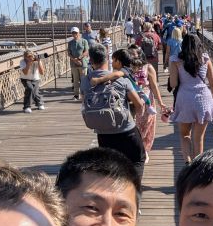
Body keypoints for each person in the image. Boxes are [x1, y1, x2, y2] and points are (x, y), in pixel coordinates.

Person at [81, 44, 146, 181]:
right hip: (126, 131)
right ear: (108, 59)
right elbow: (139, 105)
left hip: (103, 134)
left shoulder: (85, 82)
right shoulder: (121, 79)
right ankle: (133, 189)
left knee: (111, 168)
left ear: (91, 61)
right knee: (138, 160)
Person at [169, 33, 213, 164]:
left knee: (184, 134)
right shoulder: (205, 59)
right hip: (203, 99)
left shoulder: (175, 60)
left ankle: (187, 160)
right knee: (198, 138)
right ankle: (197, 166)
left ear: (183, 45)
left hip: (185, 99)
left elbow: (174, 84)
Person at [128, 45, 166, 163]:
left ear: (139, 54)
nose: (130, 56)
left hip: (146, 99)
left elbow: (154, 86)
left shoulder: (148, 67)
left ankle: (143, 150)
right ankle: (135, 149)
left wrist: (161, 103)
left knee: (146, 125)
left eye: (133, 53)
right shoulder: (127, 68)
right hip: (130, 99)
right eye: (129, 53)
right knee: (134, 126)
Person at [18, 49, 45, 113]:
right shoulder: (22, 61)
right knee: (30, 89)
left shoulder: (37, 60)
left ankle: (39, 103)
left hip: (35, 79)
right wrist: (29, 63)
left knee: (35, 91)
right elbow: (25, 72)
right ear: (25, 57)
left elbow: (42, 72)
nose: (30, 57)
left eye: (31, 56)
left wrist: (38, 62)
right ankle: (27, 106)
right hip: (25, 78)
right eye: (28, 56)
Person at [67, 25, 89, 101]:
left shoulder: (84, 41)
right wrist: (74, 59)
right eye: (73, 33)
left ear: (78, 33)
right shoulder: (70, 43)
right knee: (75, 80)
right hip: (73, 64)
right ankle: (76, 95)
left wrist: (79, 58)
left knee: (84, 80)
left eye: (75, 33)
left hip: (83, 63)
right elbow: (69, 53)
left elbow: (86, 51)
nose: (74, 34)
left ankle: (84, 94)